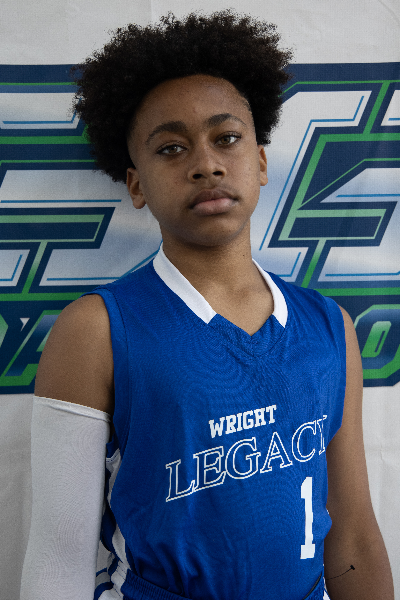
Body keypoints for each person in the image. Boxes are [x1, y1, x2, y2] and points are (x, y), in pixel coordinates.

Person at [20, 10, 394, 600]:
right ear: (137, 185)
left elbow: (353, 537)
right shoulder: (96, 329)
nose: (206, 164)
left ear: (261, 162)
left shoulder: (329, 325)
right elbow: (58, 559)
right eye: (171, 148)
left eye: (227, 138)